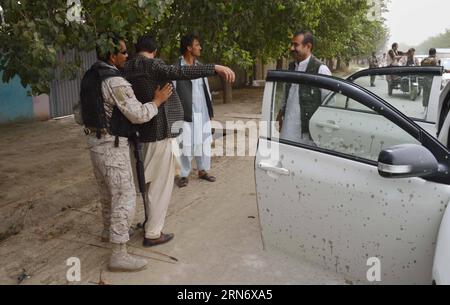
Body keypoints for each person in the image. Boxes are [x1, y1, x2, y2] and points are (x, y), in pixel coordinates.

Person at [123, 35, 235, 248]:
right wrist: (215, 68)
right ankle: (153, 233)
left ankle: (148, 223)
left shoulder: (127, 68)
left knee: (146, 183)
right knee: (160, 185)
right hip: (158, 133)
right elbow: (181, 72)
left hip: (138, 134)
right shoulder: (153, 65)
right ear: (154, 51)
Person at [80, 33, 172, 272]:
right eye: (123, 52)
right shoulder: (115, 81)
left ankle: (106, 230)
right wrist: (157, 101)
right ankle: (118, 253)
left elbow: (78, 115)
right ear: (112, 56)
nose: (127, 56)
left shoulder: (90, 76)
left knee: (107, 192)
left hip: (94, 143)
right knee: (124, 195)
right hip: (112, 144)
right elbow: (138, 115)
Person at [174, 34, 216, 188]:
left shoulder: (200, 66)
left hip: (202, 111)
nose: (200, 47)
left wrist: (210, 111)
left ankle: (202, 170)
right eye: (197, 44)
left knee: (203, 141)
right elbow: (172, 91)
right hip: (185, 113)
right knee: (185, 144)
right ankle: (183, 174)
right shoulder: (176, 68)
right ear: (189, 48)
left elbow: (206, 90)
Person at [277, 30, 332, 145]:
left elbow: (329, 104)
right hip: (288, 128)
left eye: (296, 45)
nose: (292, 48)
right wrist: (281, 113)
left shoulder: (320, 70)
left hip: (308, 133)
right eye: (292, 44)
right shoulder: (291, 67)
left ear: (308, 46)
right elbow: (286, 94)